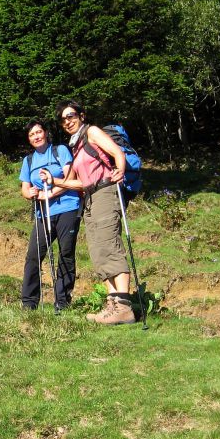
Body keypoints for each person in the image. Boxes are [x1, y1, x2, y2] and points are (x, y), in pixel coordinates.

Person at [40, 100, 135, 325]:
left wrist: (120, 168)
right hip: (91, 197)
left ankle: (124, 307)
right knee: (98, 250)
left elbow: (116, 152)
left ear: (82, 115)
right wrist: (53, 183)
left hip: (105, 192)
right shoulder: (77, 144)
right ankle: (112, 305)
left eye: (71, 116)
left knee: (110, 245)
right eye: (63, 119)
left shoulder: (92, 132)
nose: (67, 122)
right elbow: (81, 182)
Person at [19, 119, 80, 311]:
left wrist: (50, 192)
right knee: (33, 256)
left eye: (38, 132)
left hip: (67, 208)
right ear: (29, 139)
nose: (36, 136)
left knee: (66, 253)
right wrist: (31, 194)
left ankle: (62, 301)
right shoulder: (28, 161)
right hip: (43, 213)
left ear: (45, 133)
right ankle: (29, 302)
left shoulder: (60, 150)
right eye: (32, 135)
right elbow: (25, 188)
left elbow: (70, 178)